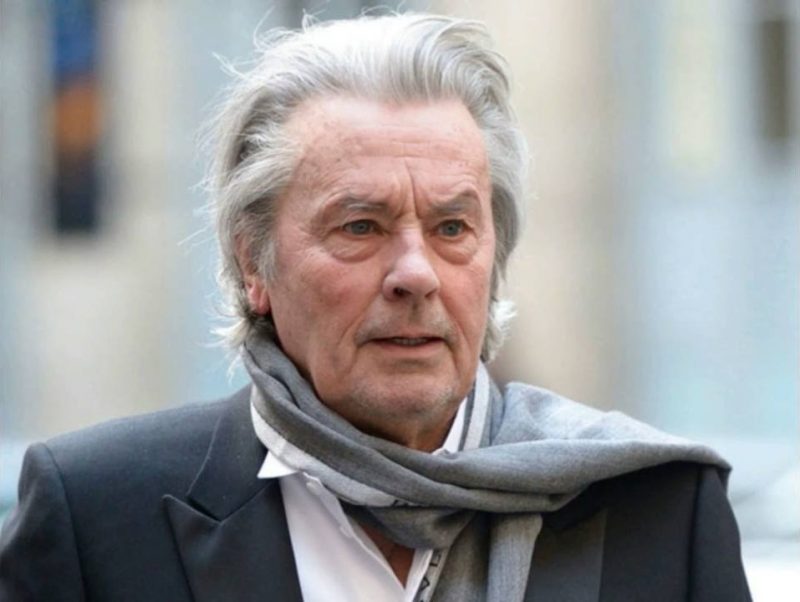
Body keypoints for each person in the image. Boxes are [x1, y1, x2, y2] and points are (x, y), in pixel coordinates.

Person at [0, 13, 750, 602]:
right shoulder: (98, 517)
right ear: (252, 263)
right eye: (360, 227)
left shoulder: (657, 508)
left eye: (452, 228)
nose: (416, 274)